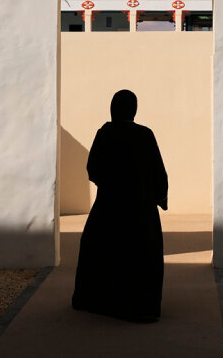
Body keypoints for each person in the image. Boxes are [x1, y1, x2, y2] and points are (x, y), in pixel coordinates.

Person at [72, 89, 169, 322]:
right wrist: (157, 197)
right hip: (141, 209)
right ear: (133, 110)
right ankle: (139, 306)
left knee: (103, 250)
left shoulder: (105, 133)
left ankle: (101, 300)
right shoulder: (145, 135)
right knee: (140, 253)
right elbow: (158, 171)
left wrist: (110, 185)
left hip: (109, 206)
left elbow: (92, 168)